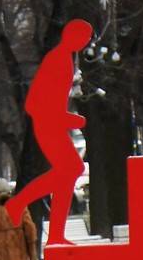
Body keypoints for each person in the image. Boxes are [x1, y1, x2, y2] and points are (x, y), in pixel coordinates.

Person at [5, 20, 91, 247]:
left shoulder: (63, 59)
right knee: (72, 169)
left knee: (68, 173)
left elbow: (47, 103)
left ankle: (55, 234)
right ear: (71, 35)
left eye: (88, 39)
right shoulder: (58, 60)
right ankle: (19, 203)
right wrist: (70, 120)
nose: (85, 43)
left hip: (51, 125)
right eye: (84, 37)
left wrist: (66, 119)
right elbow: (37, 103)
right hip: (47, 126)